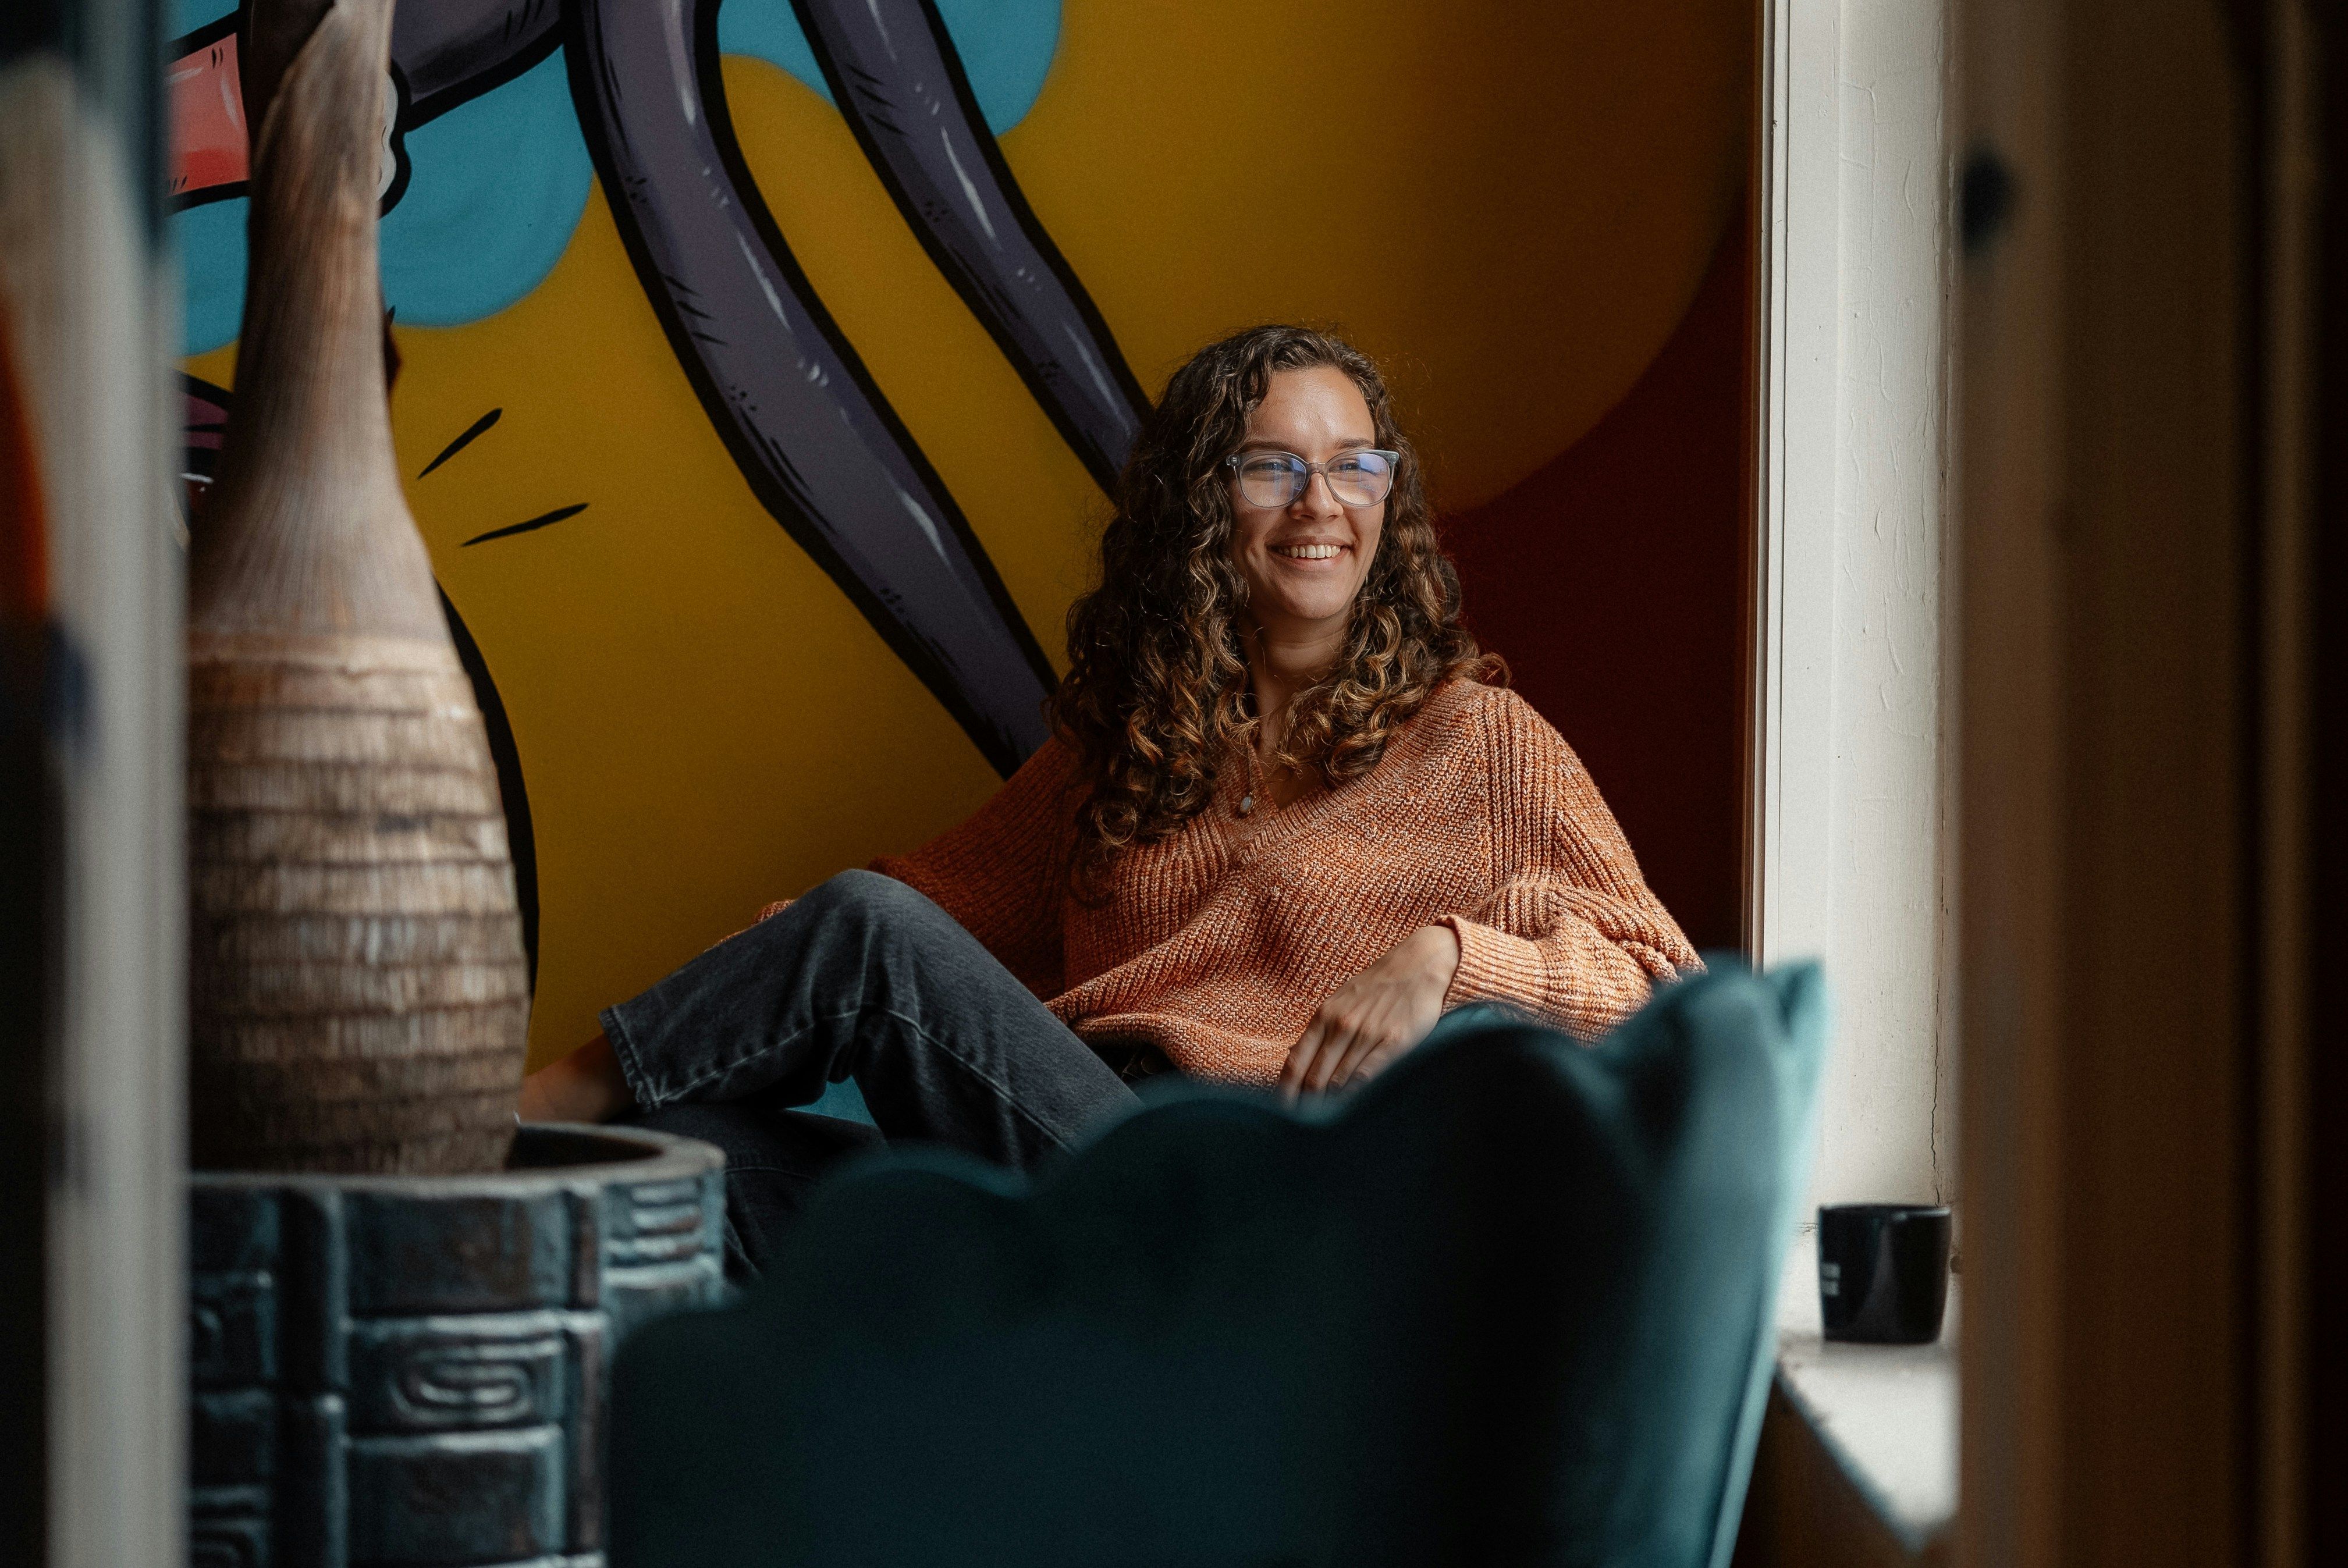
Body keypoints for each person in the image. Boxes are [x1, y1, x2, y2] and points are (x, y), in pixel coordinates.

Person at [521, 325, 1698, 1264]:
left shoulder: (1479, 744)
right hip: (1060, 1149)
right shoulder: (1126, 748)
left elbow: (1660, 986)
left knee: (842, 950)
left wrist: (1447, 959)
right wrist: (747, 980)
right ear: (1202, 503)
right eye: (1271, 466)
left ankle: (483, 1121)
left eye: (1354, 466)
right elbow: (907, 912)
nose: (1320, 502)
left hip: (1237, 1203)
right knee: (665, 1157)